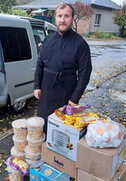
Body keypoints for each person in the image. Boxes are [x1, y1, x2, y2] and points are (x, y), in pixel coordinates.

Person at [34, 3, 92, 134]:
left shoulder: (80, 44)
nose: (62, 20)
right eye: (59, 16)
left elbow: (85, 74)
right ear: (55, 17)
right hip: (46, 92)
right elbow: (40, 63)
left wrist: (74, 98)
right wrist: (37, 86)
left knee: (60, 131)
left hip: (65, 96)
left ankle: (57, 154)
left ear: (72, 18)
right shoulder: (48, 39)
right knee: (43, 126)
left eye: (66, 16)